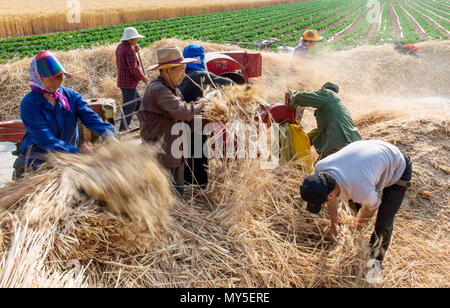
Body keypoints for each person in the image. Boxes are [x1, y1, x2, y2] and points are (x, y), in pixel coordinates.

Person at [299, 140, 413, 263]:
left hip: (398, 166)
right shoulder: (320, 168)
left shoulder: (360, 188)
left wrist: (356, 229)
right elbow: (330, 197)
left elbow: (373, 206)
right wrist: (334, 225)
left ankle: (374, 265)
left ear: (331, 194)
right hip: (372, 156)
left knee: (384, 221)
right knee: (365, 194)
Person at [14, 50, 116, 179]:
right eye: (51, 77)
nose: (57, 81)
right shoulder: (29, 104)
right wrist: (77, 152)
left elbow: (91, 119)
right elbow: (45, 139)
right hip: (38, 164)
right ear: (38, 77)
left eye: (59, 76)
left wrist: (109, 134)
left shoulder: (71, 96)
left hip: (68, 161)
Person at [138, 46, 205, 197]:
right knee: (166, 199)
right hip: (162, 155)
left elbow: (182, 118)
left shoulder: (173, 89)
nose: (184, 75)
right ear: (167, 71)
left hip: (175, 153)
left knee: (177, 197)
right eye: (181, 70)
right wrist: (204, 103)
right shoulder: (158, 89)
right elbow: (182, 111)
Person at [179, 44, 233, 187]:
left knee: (185, 157)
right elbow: (231, 83)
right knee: (199, 157)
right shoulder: (202, 76)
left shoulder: (179, 77)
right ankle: (199, 186)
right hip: (197, 125)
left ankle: (185, 184)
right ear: (201, 60)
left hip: (179, 125)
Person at [288, 82, 362, 160]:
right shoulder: (336, 105)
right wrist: (304, 140)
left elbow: (300, 97)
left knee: (320, 169)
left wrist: (293, 94)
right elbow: (321, 131)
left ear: (323, 89)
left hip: (340, 144)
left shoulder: (328, 94)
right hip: (355, 144)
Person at [116, 27, 149, 131]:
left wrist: (134, 51)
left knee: (139, 103)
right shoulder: (128, 49)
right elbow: (133, 68)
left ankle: (146, 124)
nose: (136, 40)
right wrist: (143, 77)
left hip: (124, 81)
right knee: (129, 106)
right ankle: (123, 129)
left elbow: (128, 61)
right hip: (128, 83)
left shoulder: (121, 47)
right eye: (135, 38)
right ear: (130, 39)